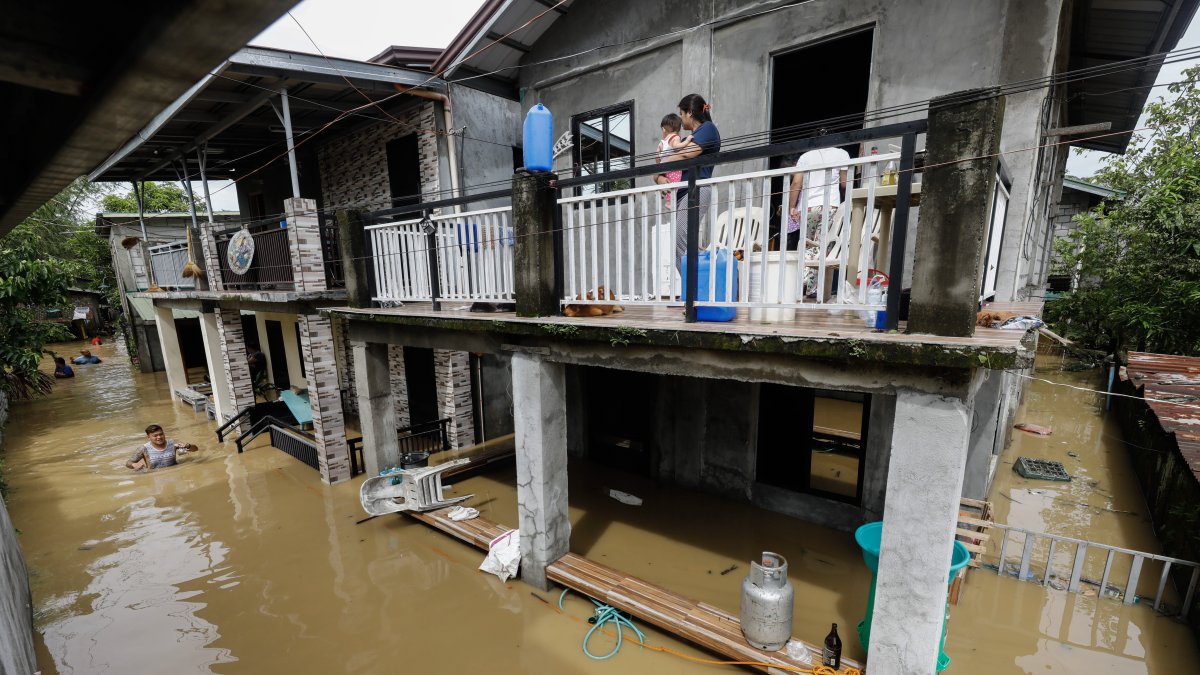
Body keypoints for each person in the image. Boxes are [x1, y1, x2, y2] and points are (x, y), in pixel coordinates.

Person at [787, 141, 850, 296]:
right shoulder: (841, 153)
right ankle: (813, 289)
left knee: (807, 245)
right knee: (822, 246)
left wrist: (791, 207)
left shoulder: (805, 156)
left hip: (807, 208)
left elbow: (796, 183)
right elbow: (844, 183)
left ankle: (801, 284)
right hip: (830, 206)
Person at [672, 94, 721, 271]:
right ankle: (697, 287)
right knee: (684, 244)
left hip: (697, 190)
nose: (681, 118)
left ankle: (693, 291)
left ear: (690, 113)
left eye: (681, 113)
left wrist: (667, 158)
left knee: (680, 242)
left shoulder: (707, 129)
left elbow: (688, 154)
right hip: (685, 193)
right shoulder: (693, 135)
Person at [126, 424, 196, 472]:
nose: (159, 437)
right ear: (148, 437)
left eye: (161, 434)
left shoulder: (173, 443)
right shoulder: (144, 448)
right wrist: (134, 465)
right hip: (154, 476)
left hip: (174, 472)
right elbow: (128, 463)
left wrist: (188, 446)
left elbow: (195, 449)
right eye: (155, 435)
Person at [653, 113, 687, 208]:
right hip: (673, 166)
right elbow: (677, 146)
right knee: (674, 183)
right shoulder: (675, 137)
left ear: (663, 129)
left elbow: (657, 155)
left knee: (668, 181)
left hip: (663, 166)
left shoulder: (663, 141)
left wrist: (659, 163)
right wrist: (686, 142)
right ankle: (670, 202)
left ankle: (666, 199)